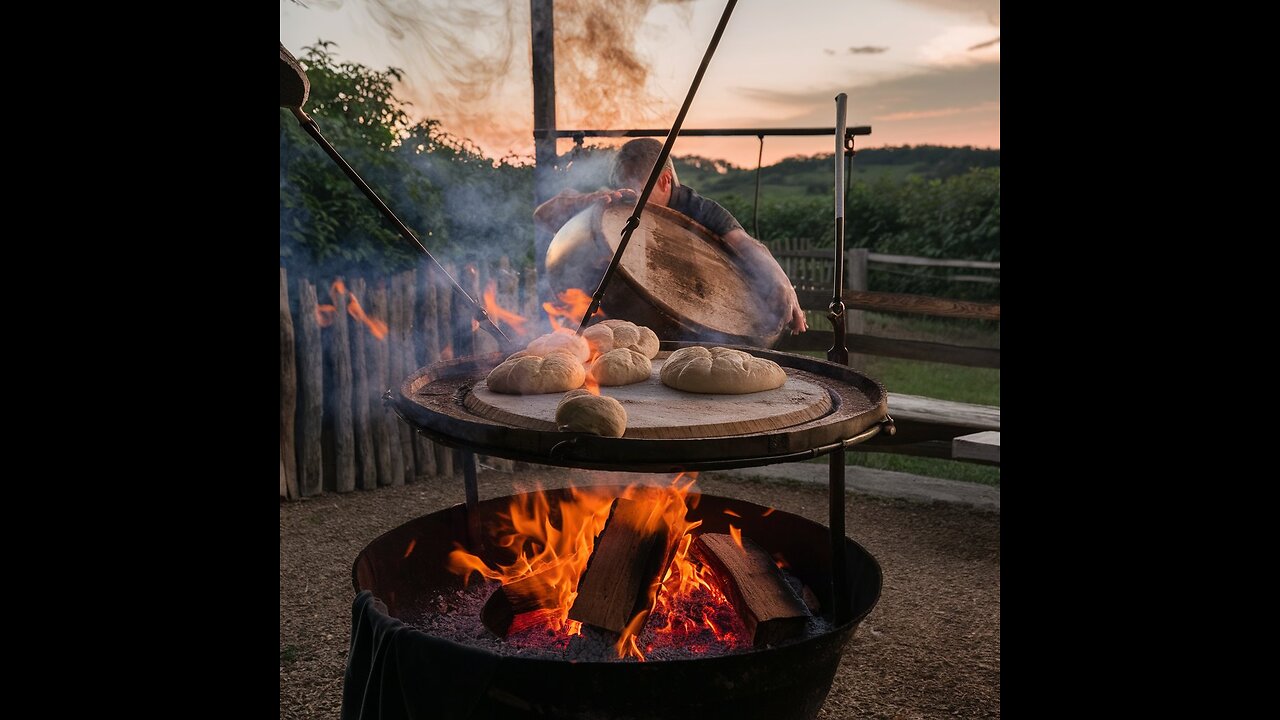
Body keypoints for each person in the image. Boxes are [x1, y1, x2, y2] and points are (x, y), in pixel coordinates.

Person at [534, 138, 808, 335]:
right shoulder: (614, 203)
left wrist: (782, 283)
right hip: (614, 322)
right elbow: (542, 215)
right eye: (622, 187)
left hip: (684, 333)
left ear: (664, 181)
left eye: (635, 188)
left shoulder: (697, 209)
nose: (628, 195)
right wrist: (586, 201)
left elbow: (747, 244)